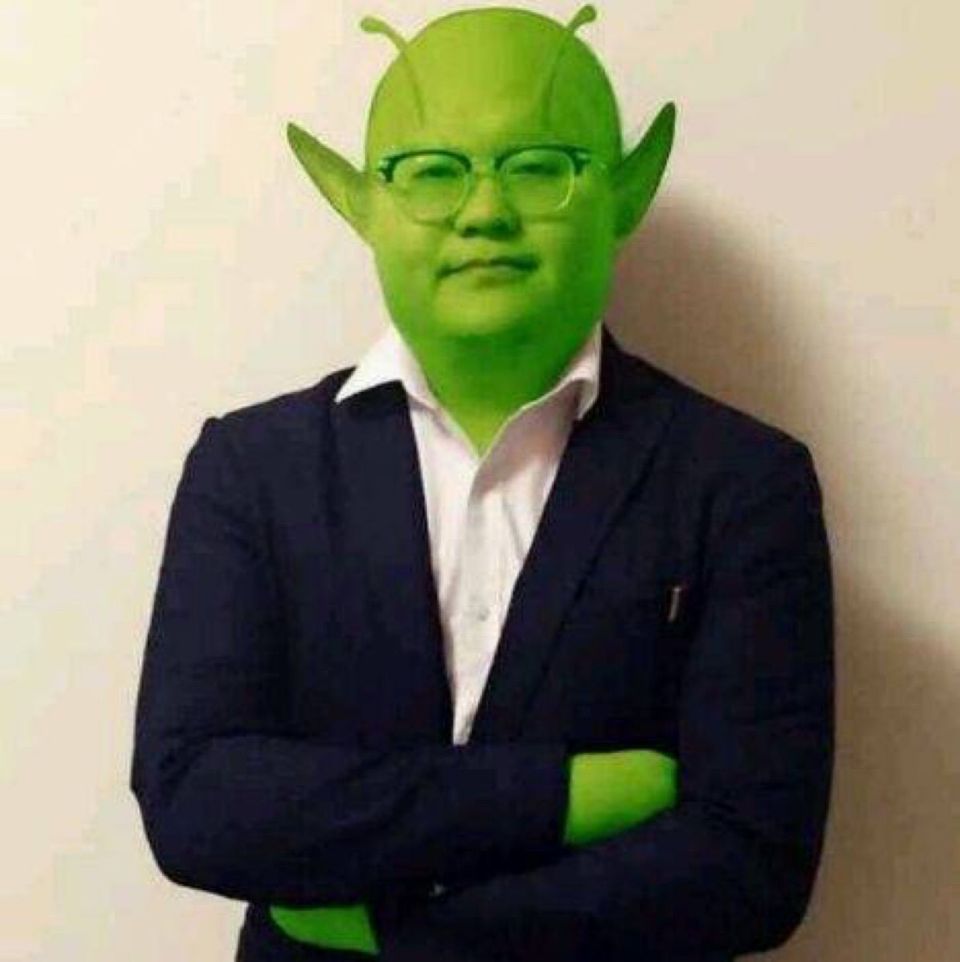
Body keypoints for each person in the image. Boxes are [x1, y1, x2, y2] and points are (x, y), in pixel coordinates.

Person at [130, 6, 834, 960]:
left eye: (540, 166)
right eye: (432, 172)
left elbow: (750, 866)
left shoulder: (741, 482)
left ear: (624, 193)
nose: (485, 211)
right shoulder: (252, 468)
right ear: (361, 203)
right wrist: (567, 795)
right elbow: (196, 800)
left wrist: (395, 931)